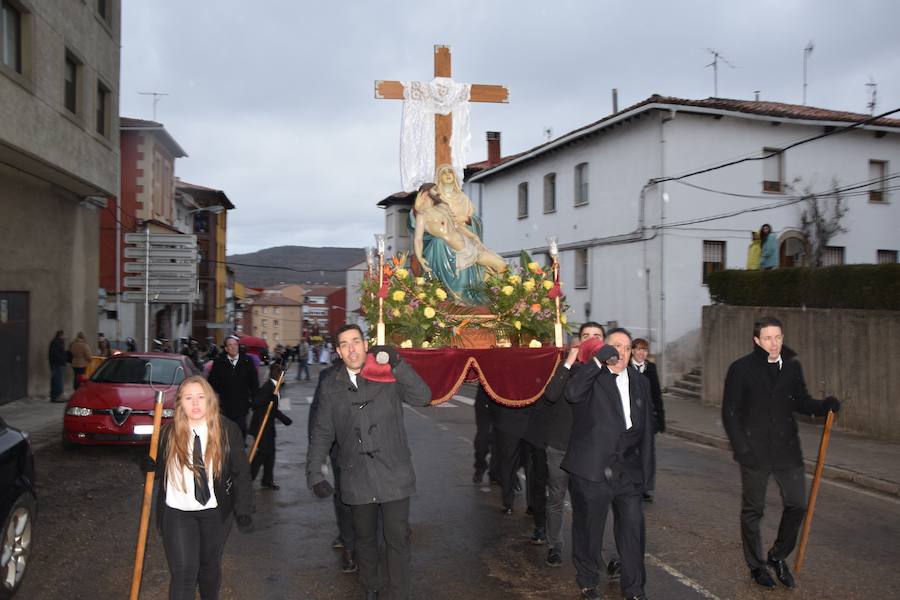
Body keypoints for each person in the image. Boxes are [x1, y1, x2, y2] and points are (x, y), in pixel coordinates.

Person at [307, 324, 432, 600]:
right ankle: (372, 588)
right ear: (338, 352)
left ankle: (399, 593)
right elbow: (323, 431)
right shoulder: (331, 385)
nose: (352, 349)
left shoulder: (387, 373)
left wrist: (399, 364)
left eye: (356, 341)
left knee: (397, 540)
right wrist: (314, 472)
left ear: (366, 345)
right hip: (356, 475)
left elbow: (423, 397)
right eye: (345, 344)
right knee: (365, 541)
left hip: (394, 474)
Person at [722, 316, 841, 589]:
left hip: (787, 450)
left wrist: (825, 406)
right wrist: (742, 448)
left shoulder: (791, 367)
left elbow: (800, 401)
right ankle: (756, 565)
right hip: (754, 452)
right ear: (756, 341)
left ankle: (777, 555)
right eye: (767, 338)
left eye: (777, 337)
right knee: (754, 510)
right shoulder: (740, 369)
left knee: (798, 504)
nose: (773, 343)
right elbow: (730, 413)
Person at [141, 375, 254, 600]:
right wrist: (146, 464)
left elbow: (241, 472)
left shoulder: (227, 430)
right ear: (180, 403)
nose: (195, 403)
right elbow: (156, 466)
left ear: (210, 400)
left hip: (214, 511)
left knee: (209, 569)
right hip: (177, 512)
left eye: (201, 397)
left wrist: (244, 509)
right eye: (189, 398)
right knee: (183, 574)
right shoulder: (167, 433)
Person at [563, 328, 653, 600]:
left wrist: (647, 477)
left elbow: (647, 431)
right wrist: (597, 362)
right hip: (592, 468)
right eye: (615, 346)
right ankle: (588, 580)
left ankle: (635, 589)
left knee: (633, 531)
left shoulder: (641, 381)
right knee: (589, 531)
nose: (621, 353)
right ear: (604, 349)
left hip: (628, 471)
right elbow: (572, 394)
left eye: (626, 348)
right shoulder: (588, 375)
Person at [538, 322, 618, 581]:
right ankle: (554, 545)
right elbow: (551, 395)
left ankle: (604, 556)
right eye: (586, 337)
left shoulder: (609, 371)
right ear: (577, 342)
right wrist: (569, 361)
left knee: (593, 506)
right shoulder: (568, 368)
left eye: (597, 337)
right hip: (561, 446)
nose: (592, 341)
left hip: (590, 451)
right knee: (556, 497)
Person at [409, 166, 503, 304]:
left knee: (500, 264)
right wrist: (417, 208)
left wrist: (470, 229)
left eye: (450, 172)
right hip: (453, 248)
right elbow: (417, 234)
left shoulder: (458, 200)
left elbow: (463, 223)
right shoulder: (424, 212)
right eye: (444, 173)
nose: (448, 175)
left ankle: (499, 297)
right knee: (464, 293)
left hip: (467, 242)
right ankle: (475, 298)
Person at [308, 355, 359, 574]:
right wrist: (317, 456)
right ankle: (349, 547)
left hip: (370, 451)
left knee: (369, 498)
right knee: (345, 498)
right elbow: (317, 417)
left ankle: (364, 544)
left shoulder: (372, 372)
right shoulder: (327, 377)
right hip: (340, 450)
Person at [413, 183, 508, 279]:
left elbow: (456, 226)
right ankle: (489, 288)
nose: (439, 191)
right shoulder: (422, 215)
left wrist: (473, 236)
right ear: (424, 194)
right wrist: (419, 257)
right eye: (435, 189)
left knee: (501, 266)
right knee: (500, 265)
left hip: (467, 242)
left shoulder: (443, 207)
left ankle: (489, 289)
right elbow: (418, 238)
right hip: (460, 249)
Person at [249, 362, 292, 490]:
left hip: (269, 426)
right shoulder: (268, 388)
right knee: (262, 454)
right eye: (283, 375)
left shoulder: (275, 387)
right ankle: (248, 479)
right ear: (277, 375)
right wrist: (269, 398)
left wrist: (285, 420)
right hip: (261, 426)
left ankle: (267, 480)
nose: (284, 378)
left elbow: (273, 409)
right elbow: (255, 403)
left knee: (270, 454)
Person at [208, 335, 259, 441]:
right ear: (226, 349)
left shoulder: (247, 361)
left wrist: (254, 399)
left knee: (241, 428)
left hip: (242, 403)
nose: (234, 347)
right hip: (225, 404)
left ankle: (240, 448)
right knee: (226, 431)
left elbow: (254, 382)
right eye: (230, 345)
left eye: (235, 345)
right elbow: (211, 382)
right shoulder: (219, 362)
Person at [631, 338, 664, 502]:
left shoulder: (651, 368)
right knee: (631, 453)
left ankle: (645, 487)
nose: (641, 353)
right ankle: (631, 484)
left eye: (644, 350)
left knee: (647, 454)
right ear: (632, 351)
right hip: (629, 418)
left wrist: (660, 418)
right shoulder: (626, 367)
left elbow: (657, 394)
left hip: (647, 418)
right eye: (638, 349)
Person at [48, 330, 67, 403]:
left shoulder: (58, 342)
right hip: (57, 364)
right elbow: (55, 353)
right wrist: (63, 358)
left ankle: (56, 396)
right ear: (60, 335)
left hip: (57, 363)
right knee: (57, 380)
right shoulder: (56, 342)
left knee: (57, 379)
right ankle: (57, 396)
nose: (64, 337)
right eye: (63, 335)